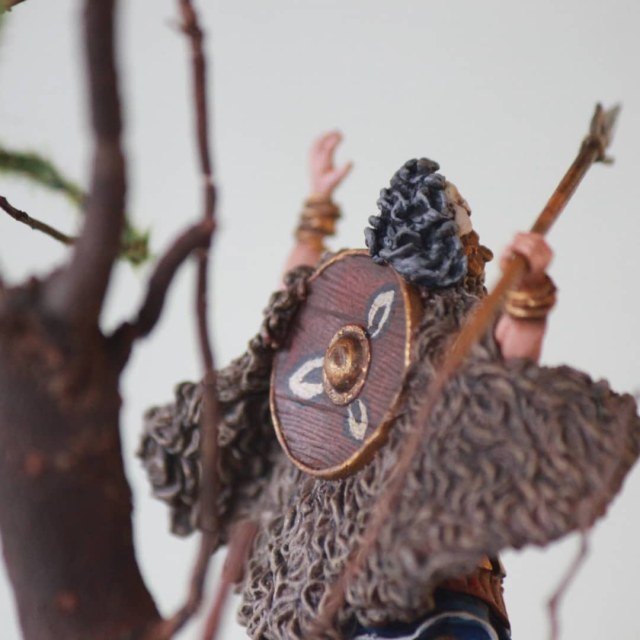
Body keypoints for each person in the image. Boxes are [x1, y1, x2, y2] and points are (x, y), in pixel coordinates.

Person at [139, 132, 640, 640]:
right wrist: (317, 204)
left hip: (439, 560)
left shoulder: (460, 325)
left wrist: (528, 293)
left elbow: (505, 380)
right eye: (463, 216)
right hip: (349, 567)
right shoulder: (379, 316)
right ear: (453, 239)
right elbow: (297, 302)